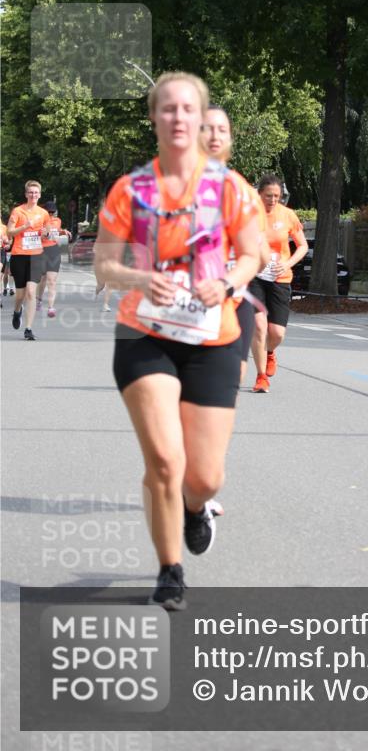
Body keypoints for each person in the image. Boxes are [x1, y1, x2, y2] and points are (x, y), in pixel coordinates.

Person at [94, 71, 260, 609]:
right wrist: (140, 278)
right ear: (154, 118)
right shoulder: (131, 189)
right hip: (145, 335)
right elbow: (103, 264)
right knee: (165, 460)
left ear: (201, 117)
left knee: (205, 477)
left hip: (213, 338)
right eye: (167, 108)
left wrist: (228, 283)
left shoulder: (230, 188)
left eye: (188, 108)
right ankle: (170, 571)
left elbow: (253, 255)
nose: (178, 117)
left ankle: (195, 508)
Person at [199, 106, 271, 389]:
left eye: (222, 130)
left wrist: (234, 276)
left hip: (233, 297)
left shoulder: (243, 192)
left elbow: (259, 256)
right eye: (207, 129)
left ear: (230, 138)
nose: (215, 136)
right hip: (187, 303)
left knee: (230, 381)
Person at [249, 174, 308, 393]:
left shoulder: (288, 215)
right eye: (268, 196)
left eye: (276, 196)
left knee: (277, 333)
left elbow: (302, 246)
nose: (272, 200)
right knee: (259, 326)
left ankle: (270, 352)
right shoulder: (249, 215)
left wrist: (287, 264)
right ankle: (261, 376)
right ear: (259, 194)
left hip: (279, 277)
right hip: (254, 276)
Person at [7, 180, 50, 340]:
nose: (33, 195)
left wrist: (46, 234)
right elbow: (10, 232)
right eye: (30, 192)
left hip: (36, 256)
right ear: (26, 194)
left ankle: (28, 328)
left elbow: (47, 232)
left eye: (36, 192)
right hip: (19, 255)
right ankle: (17, 311)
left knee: (31, 292)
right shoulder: (18, 211)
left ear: (40, 195)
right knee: (20, 295)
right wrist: (25, 226)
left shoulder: (44, 213)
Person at [36, 201, 71, 318]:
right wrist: (43, 234)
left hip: (54, 251)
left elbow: (57, 230)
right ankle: (39, 300)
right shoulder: (39, 221)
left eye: (52, 212)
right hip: (41, 251)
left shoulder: (57, 220)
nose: (51, 214)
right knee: (42, 279)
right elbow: (36, 235)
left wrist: (63, 231)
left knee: (52, 281)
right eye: (49, 212)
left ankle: (51, 307)